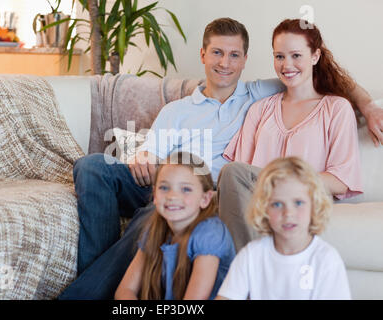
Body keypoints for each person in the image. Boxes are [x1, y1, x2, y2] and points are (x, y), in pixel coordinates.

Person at [59, 17, 382, 300]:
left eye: (234, 55)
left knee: (157, 215)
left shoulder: (261, 94)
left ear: (244, 61)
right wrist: (144, 155)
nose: (225, 63)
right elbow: (165, 158)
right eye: (217, 53)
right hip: (169, 178)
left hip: (213, 190)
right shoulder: (196, 109)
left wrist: (367, 105)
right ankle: (95, 273)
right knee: (92, 166)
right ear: (203, 55)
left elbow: (328, 79)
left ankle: (84, 293)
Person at [219, 18, 363, 252]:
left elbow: (340, 181)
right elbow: (241, 175)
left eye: (296, 55)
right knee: (229, 176)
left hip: (302, 199)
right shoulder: (260, 109)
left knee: (232, 173)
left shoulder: (336, 108)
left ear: (315, 56)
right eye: (279, 56)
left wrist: (286, 182)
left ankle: (245, 272)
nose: (287, 65)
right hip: (260, 201)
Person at [216, 157, 351, 300]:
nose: (288, 213)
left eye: (298, 203)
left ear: (315, 206)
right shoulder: (250, 256)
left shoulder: (326, 259)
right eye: (277, 204)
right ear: (264, 209)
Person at [115, 152, 234, 300]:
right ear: (154, 195)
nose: (172, 196)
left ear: (205, 198)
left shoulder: (210, 233)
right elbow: (125, 290)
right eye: (164, 188)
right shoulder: (155, 229)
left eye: (186, 189)